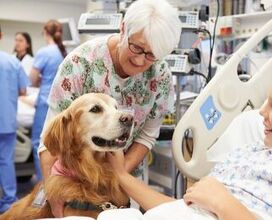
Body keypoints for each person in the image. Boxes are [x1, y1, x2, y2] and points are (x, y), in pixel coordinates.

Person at [105, 59, 272, 220]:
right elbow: (184, 208)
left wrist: (222, 202)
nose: (262, 112)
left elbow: (211, 202)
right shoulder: (251, 153)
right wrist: (121, 177)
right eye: (266, 101)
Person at [38, 0, 181, 217]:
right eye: (137, 47)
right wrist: (55, 200)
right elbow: (51, 138)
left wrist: (118, 175)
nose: (141, 61)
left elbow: (147, 136)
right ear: (123, 28)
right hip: (72, 181)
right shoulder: (79, 64)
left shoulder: (160, 76)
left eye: (152, 55)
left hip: (123, 182)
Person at [30, 19, 67, 182]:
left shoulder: (44, 52)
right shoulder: (63, 52)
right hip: (62, 104)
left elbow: (31, 79)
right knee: (57, 147)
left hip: (45, 102)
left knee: (40, 145)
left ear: (45, 32)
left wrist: (40, 81)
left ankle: (43, 186)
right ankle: (56, 182)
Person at [0, 25, 29, 213]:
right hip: (6, 121)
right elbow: (23, 91)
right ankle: (9, 201)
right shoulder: (12, 62)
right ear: (1, 35)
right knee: (5, 161)